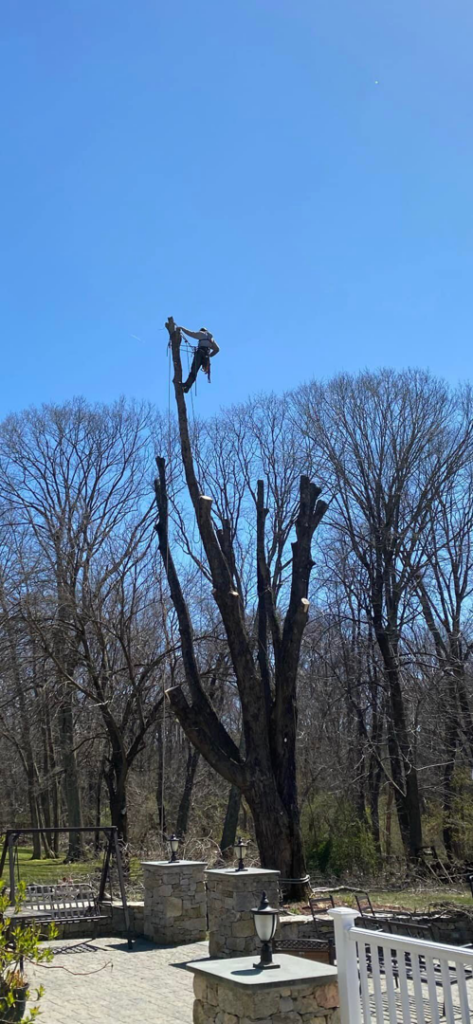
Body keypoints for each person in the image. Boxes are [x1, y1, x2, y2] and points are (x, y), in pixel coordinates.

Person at [177, 326, 220, 392]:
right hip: (206, 356)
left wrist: (181, 328)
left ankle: (186, 385)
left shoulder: (201, 333)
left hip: (200, 353)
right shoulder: (210, 337)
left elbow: (191, 333)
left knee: (194, 370)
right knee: (195, 371)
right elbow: (217, 349)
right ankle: (187, 388)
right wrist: (209, 355)